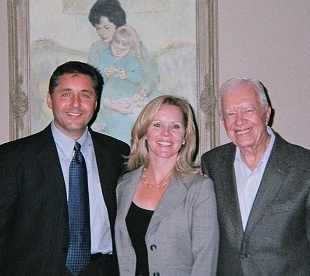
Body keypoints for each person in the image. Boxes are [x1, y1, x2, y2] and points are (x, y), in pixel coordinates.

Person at [0, 61, 130, 275]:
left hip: (103, 270)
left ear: (96, 103)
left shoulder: (118, 154)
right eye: (66, 94)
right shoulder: (12, 158)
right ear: (50, 100)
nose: (76, 104)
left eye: (85, 95)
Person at [201, 77, 310, 275]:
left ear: (266, 113)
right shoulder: (212, 163)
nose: (239, 121)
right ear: (222, 120)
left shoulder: (304, 166)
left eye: (248, 110)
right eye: (231, 113)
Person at [115, 95, 219, 275]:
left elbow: (205, 260)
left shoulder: (199, 188)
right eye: (157, 124)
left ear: (185, 137)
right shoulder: (124, 185)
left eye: (175, 126)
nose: (166, 133)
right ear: (145, 132)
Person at [88, 0, 159, 106]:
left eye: (106, 27)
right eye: (98, 28)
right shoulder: (96, 48)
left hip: (136, 96)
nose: (102, 33)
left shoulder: (135, 44)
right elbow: (90, 81)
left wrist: (142, 93)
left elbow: (151, 77)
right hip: (107, 99)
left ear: (117, 24)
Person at [95, 24, 146, 144]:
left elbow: (138, 77)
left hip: (127, 90)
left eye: (123, 49)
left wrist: (127, 75)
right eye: (115, 47)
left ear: (130, 48)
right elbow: (97, 77)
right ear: (111, 43)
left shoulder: (132, 59)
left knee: (134, 108)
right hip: (110, 90)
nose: (118, 52)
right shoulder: (105, 56)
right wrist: (105, 74)